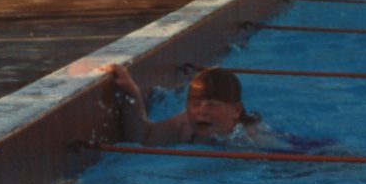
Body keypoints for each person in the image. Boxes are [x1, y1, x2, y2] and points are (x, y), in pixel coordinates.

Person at [101, 63, 259, 145]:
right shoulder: (185, 124)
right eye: (196, 103)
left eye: (212, 104)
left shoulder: (249, 138)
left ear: (236, 110)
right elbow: (143, 138)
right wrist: (131, 90)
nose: (202, 110)